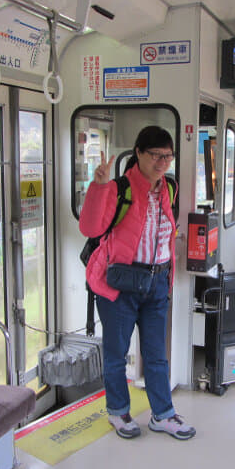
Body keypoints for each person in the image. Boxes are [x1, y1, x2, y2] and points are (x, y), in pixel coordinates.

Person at [79, 125, 196, 440]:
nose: (162, 162)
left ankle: (163, 414)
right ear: (139, 154)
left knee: (156, 354)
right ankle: (118, 412)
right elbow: (90, 227)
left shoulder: (168, 188)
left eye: (167, 156)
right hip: (121, 284)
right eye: (156, 155)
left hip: (157, 282)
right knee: (116, 354)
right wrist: (99, 186)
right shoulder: (119, 188)